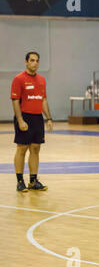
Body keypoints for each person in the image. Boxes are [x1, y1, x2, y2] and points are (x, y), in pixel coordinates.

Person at [11, 52, 53, 192]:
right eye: (32, 60)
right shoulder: (19, 79)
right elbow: (15, 101)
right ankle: (20, 181)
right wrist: (20, 120)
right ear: (26, 62)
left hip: (37, 119)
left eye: (37, 61)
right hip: (24, 117)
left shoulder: (41, 80)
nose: (35, 63)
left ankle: (33, 181)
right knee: (22, 149)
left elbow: (43, 100)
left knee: (35, 148)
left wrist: (49, 118)